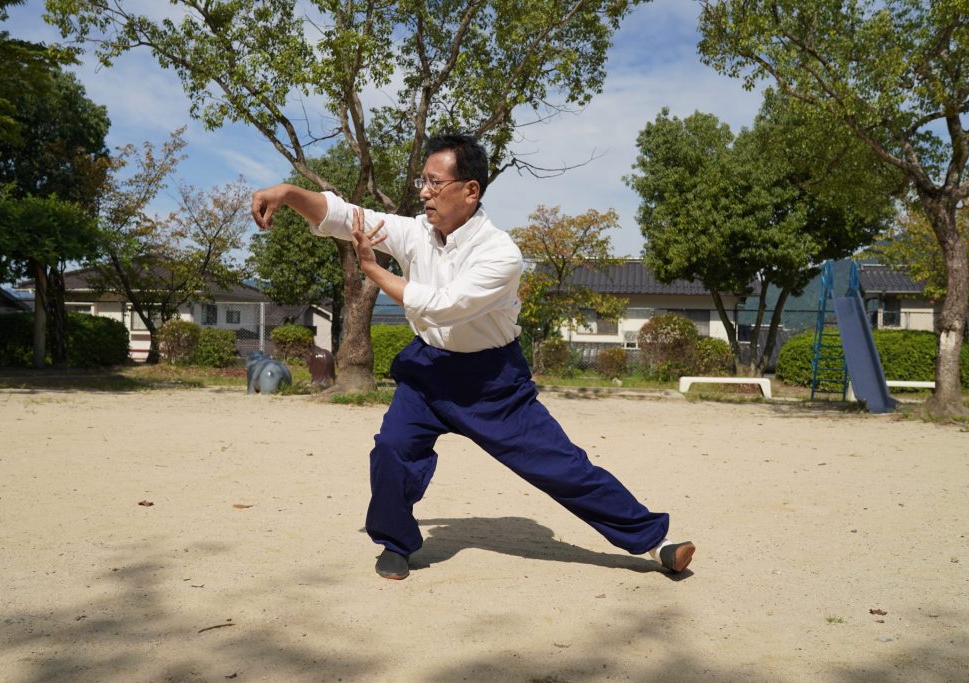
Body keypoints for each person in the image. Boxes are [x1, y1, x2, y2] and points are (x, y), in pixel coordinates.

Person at [250, 133, 695, 580]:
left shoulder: (501, 254)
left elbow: (446, 303)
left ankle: (654, 541)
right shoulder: (415, 233)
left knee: (561, 466)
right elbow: (347, 216)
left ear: (470, 190)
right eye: (423, 181)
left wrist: (374, 270)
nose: (424, 192)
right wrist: (288, 194)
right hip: (429, 372)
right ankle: (395, 542)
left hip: (492, 384)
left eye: (434, 183)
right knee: (392, 449)